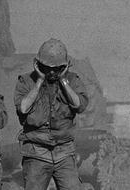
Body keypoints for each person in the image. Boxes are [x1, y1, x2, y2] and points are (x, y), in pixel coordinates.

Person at [14, 39, 89, 190]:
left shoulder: (73, 80)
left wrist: (63, 80)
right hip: (36, 152)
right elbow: (23, 108)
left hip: (64, 152)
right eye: (47, 68)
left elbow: (79, 105)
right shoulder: (26, 81)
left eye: (57, 68)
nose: (52, 72)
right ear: (38, 65)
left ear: (65, 66)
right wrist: (39, 81)